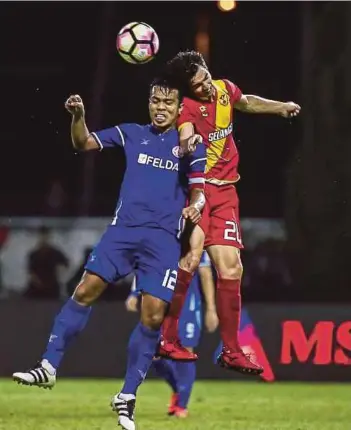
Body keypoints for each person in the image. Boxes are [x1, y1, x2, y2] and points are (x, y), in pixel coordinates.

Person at [13, 74, 206, 430]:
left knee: (151, 316)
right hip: (122, 232)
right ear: (149, 103)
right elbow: (83, 142)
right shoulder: (132, 132)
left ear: (180, 108)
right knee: (84, 290)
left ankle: (127, 396)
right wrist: (77, 116)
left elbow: (199, 189)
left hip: (163, 240)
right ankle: (49, 366)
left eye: (168, 103)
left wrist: (196, 205)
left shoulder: (191, 145)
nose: (160, 108)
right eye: (155, 101)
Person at [158, 50, 301, 375]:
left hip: (226, 194)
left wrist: (280, 108)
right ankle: (167, 338)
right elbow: (184, 137)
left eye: (206, 77)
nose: (207, 87)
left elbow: (246, 101)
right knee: (191, 260)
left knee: (232, 268)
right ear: (187, 90)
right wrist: (187, 144)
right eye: (198, 85)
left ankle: (231, 350)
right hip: (197, 191)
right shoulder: (187, 110)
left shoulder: (224, 89)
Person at [125, 251, 217, 418]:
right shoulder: (158, 237)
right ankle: (178, 389)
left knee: (186, 351)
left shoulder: (196, 240)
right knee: (153, 355)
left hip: (187, 304)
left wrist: (211, 308)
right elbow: (143, 267)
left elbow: (205, 274)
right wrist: (134, 293)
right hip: (160, 302)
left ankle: (182, 406)